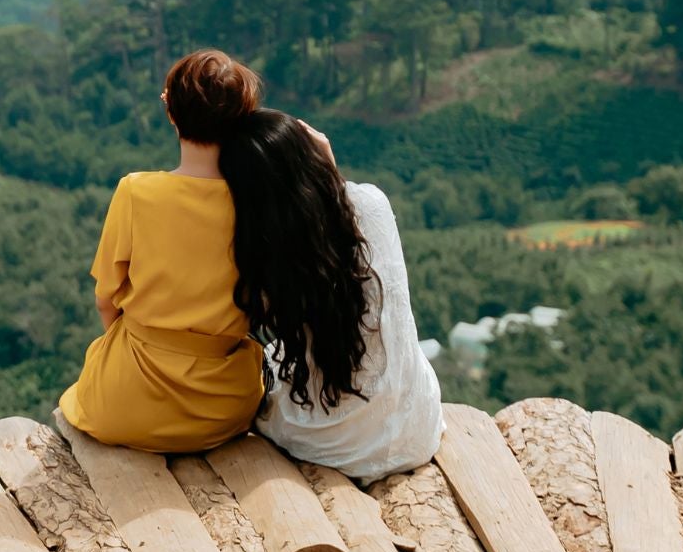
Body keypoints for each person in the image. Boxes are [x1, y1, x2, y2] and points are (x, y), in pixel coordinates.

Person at [57, 50, 269, 453]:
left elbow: (106, 300)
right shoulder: (257, 201)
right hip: (223, 409)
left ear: (171, 112)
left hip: (126, 404)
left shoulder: (137, 192)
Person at [219, 108, 443, 481]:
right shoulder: (373, 204)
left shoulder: (267, 251)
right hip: (417, 427)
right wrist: (326, 162)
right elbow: (336, 221)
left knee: (261, 371)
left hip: (336, 444)